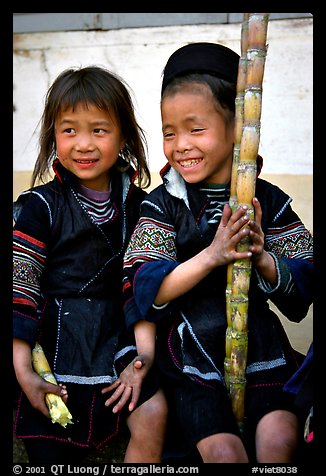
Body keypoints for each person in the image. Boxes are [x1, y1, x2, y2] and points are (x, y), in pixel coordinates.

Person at [120, 43, 314, 463]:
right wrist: (213, 254)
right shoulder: (163, 204)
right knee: (224, 452)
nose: (180, 145)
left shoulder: (267, 201)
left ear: (239, 127)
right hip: (191, 357)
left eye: (195, 128)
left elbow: (303, 286)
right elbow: (147, 288)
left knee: (280, 440)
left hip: (263, 350)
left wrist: (263, 258)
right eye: (169, 132)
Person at [13, 65, 167, 464]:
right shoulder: (39, 207)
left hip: (119, 342)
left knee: (154, 412)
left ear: (124, 137)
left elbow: (143, 284)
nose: (83, 144)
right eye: (69, 131)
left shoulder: (141, 207)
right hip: (55, 345)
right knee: (52, 442)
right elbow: (20, 287)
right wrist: (23, 370)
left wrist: (143, 359)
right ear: (53, 137)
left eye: (99, 130)